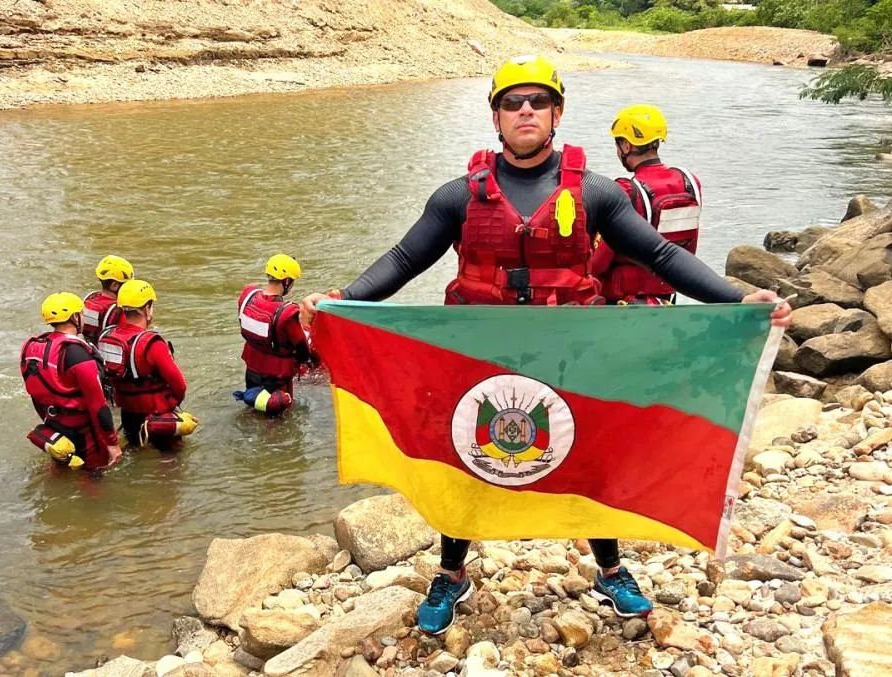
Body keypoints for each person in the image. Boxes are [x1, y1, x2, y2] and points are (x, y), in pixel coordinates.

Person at [299, 55, 792, 634]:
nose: (525, 110)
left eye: (537, 101)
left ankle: (609, 568)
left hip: (570, 350)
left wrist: (735, 300)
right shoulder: (458, 197)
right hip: (478, 355)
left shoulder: (599, 194)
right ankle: (452, 573)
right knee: (468, 454)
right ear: (496, 116)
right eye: (513, 102)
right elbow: (406, 260)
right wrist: (343, 298)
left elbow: (658, 256)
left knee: (591, 453)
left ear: (557, 113)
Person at [593, 105, 702, 305]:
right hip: (669, 294)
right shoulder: (690, 182)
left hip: (624, 301)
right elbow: (689, 248)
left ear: (626, 146)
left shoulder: (625, 190)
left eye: (618, 144)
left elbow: (598, 263)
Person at [20, 292, 122, 470]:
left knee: (63, 470)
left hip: (53, 426)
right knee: (95, 476)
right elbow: (98, 404)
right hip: (84, 433)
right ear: (74, 317)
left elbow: (34, 393)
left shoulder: (33, 348)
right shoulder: (78, 354)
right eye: (81, 314)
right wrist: (112, 443)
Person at [97, 280, 196, 451]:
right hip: (158, 415)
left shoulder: (106, 336)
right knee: (172, 461)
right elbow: (180, 385)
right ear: (147, 308)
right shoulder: (152, 343)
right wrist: (171, 403)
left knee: (134, 451)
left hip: (128, 414)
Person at [234, 254, 313, 417]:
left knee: (254, 407)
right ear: (287, 282)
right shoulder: (287, 313)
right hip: (277, 378)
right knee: (279, 417)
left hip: (252, 369)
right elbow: (303, 350)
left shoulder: (248, 296)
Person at [82, 255, 135, 344]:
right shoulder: (119, 310)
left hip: (88, 348)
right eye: (127, 284)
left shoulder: (90, 298)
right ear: (114, 286)